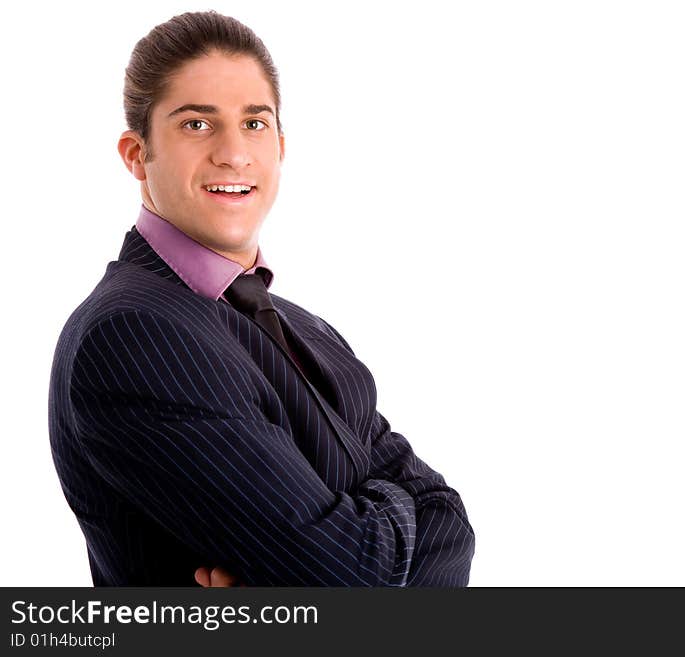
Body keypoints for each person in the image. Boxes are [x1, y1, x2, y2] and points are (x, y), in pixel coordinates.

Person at [47, 10, 475, 587]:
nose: (233, 153)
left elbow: (450, 524)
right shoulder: (133, 331)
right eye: (197, 124)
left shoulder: (308, 329)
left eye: (253, 123)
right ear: (135, 154)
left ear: (279, 145)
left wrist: (362, 543)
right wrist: (395, 510)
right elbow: (353, 577)